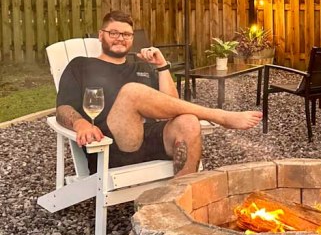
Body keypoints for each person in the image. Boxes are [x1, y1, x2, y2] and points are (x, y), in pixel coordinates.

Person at [56, 10, 262, 176]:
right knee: (132, 92)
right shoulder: (81, 65)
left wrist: (162, 67)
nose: (120, 38)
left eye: (126, 34)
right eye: (114, 33)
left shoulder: (142, 68)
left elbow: (171, 107)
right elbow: (63, 107)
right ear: (101, 35)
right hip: (109, 146)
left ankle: (179, 202)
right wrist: (80, 123)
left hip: (151, 139)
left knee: (188, 121)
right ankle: (219, 115)